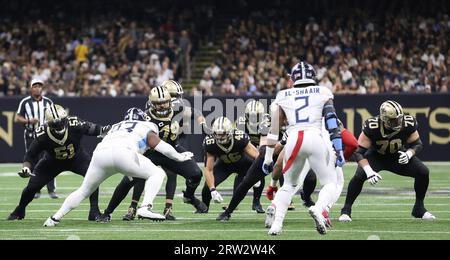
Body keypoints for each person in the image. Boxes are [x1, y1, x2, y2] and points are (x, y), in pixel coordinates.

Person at [43, 108, 194, 227]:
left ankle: (54, 218)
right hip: (124, 154)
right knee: (157, 174)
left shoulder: (116, 126)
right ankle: (145, 207)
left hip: (100, 154)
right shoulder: (146, 125)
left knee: (84, 191)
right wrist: (178, 157)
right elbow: (160, 146)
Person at [98, 84, 207, 222]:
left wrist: (203, 124)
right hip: (150, 153)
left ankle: (189, 197)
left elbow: (195, 113)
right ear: (151, 103)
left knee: (196, 174)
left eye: (165, 103)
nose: (162, 106)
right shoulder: (145, 117)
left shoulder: (178, 109)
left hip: (172, 149)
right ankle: (108, 212)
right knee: (129, 180)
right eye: (158, 104)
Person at [262, 62, 345, 235]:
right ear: (313, 76)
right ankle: (319, 208)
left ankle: (277, 224)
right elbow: (331, 121)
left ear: (293, 78)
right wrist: (339, 148)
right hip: (315, 138)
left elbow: (273, 129)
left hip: (293, 140)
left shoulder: (283, 95)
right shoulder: (323, 91)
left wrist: (268, 158)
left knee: (289, 186)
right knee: (330, 183)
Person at [8, 104, 110, 221]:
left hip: (77, 158)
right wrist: (26, 168)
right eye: (55, 124)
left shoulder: (75, 124)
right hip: (52, 162)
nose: (60, 126)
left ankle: (94, 211)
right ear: (48, 124)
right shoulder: (43, 134)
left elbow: (95, 129)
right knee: (32, 187)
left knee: (93, 177)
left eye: (61, 122)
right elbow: (30, 154)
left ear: (66, 119)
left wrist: (105, 130)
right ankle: (20, 210)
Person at [339, 100, 435, 222]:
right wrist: (368, 171)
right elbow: (358, 152)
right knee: (359, 176)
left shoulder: (408, 123)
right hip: (376, 156)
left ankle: (419, 208)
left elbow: (417, 143)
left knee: (423, 172)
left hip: (398, 156)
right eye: (394, 120)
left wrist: (409, 153)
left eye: (400, 118)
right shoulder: (372, 126)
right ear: (384, 119)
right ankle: (346, 210)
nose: (399, 122)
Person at [201, 116, 259, 211]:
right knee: (207, 188)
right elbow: (208, 169)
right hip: (224, 166)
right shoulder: (210, 142)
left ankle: (257, 203)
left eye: (223, 134)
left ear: (230, 132)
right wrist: (212, 189)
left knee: (241, 190)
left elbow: (257, 156)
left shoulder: (239, 138)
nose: (220, 137)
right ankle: (203, 208)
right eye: (217, 134)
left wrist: (256, 175)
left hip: (242, 164)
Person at [15, 78, 56, 199]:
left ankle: (51, 190)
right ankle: (36, 189)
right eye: (35, 86)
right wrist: (29, 121)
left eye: (39, 86)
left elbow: (55, 116)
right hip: (30, 135)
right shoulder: (25, 102)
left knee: (50, 161)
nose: (38, 88)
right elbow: (17, 118)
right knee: (33, 162)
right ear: (31, 88)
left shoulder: (48, 102)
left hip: (46, 136)